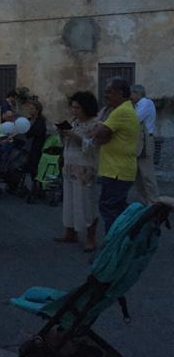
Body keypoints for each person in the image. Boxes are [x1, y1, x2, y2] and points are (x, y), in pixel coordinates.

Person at [55, 92, 101, 252]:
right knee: (69, 200)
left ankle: (90, 237)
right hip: (70, 165)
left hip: (84, 167)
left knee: (85, 202)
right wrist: (63, 135)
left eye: (77, 108)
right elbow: (66, 143)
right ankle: (70, 231)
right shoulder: (75, 122)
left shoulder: (95, 124)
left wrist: (75, 136)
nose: (74, 111)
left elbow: (93, 146)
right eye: (73, 107)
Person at [93, 78, 141, 232]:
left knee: (110, 210)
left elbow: (98, 133)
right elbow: (103, 136)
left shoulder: (121, 111)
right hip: (117, 170)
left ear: (120, 93)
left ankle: (113, 242)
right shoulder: (123, 109)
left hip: (116, 171)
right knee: (116, 209)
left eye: (109, 92)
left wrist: (99, 125)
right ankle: (120, 240)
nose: (105, 95)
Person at [131, 84, 158, 205]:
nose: (130, 97)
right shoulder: (136, 105)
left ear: (137, 93)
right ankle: (145, 203)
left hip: (145, 141)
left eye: (131, 94)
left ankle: (153, 203)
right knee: (138, 177)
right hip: (138, 141)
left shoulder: (146, 103)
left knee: (147, 175)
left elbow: (134, 120)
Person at [23, 100, 48, 180]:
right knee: (29, 168)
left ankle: (37, 185)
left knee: (35, 168)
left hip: (37, 148)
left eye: (32, 109)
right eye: (29, 109)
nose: (30, 110)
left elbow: (37, 132)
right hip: (28, 147)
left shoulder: (41, 121)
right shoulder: (28, 119)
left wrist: (28, 129)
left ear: (37, 110)